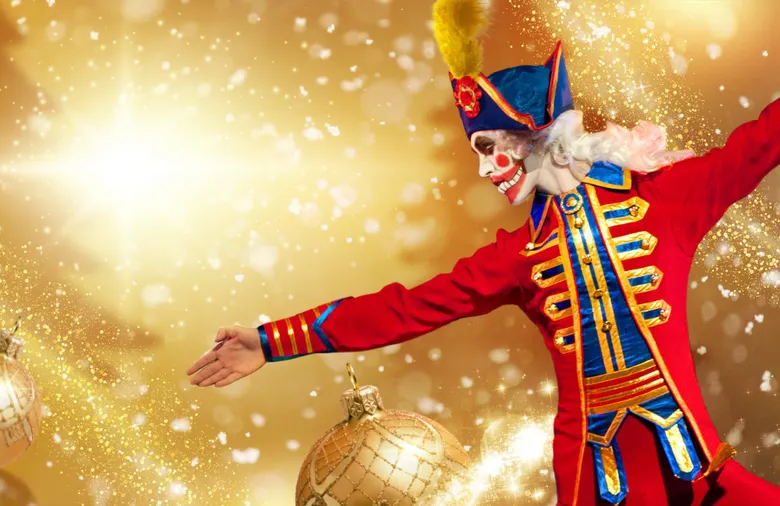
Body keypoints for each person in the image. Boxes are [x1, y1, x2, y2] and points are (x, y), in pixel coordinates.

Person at [186, 0, 780, 504]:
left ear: (538, 134)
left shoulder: (666, 200)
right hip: (595, 481)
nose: (485, 169)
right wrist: (271, 341)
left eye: (491, 147)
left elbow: (760, 141)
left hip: (698, 470)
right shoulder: (517, 256)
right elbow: (403, 309)